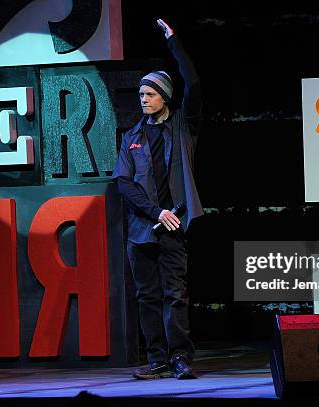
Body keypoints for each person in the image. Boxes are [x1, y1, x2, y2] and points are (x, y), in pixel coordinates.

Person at [112, 18, 203, 380]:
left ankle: (181, 357)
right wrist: (155, 211)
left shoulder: (183, 125)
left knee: (175, 295)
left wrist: (173, 41)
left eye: (149, 94)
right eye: (140, 95)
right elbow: (124, 183)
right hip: (141, 229)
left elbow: (193, 82)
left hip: (175, 225)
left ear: (164, 96)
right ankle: (158, 358)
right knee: (146, 298)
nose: (143, 100)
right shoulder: (131, 136)